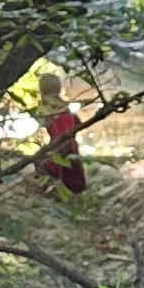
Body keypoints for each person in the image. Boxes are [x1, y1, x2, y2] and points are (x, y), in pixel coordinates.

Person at [32, 69, 88, 197]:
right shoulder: (64, 105)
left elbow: (47, 126)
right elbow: (78, 123)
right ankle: (71, 196)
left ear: (42, 90)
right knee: (73, 179)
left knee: (39, 162)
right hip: (71, 145)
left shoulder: (45, 108)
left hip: (59, 146)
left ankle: (48, 194)